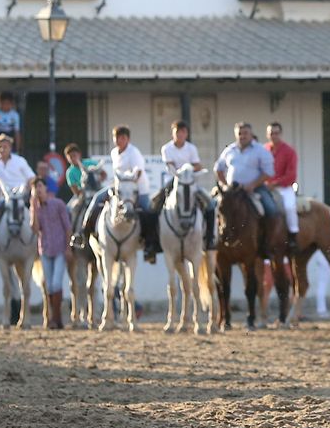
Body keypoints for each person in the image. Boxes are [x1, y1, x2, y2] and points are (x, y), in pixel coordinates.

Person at [73, 126, 151, 254]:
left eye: (123, 138)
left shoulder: (134, 152)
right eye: (117, 138)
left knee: (147, 211)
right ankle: (83, 233)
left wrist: (129, 183)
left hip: (138, 188)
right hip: (118, 187)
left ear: (128, 139)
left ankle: (149, 243)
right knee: (96, 200)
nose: (119, 140)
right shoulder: (114, 152)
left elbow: (138, 171)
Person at [215, 121, 281, 246]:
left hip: (255, 189)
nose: (242, 136)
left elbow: (268, 172)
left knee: (272, 210)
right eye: (240, 133)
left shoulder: (260, 150)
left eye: (245, 133)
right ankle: (212, 241)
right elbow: (218, 169)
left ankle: (267, 243)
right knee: (211, 207)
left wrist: (252, 185)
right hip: (232, 190)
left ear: (251, 134)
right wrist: (225, 185)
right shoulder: (229, 150)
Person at [154, 120, 214, 251]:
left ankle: (210, 238)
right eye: (177, 132)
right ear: (173, 134)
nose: (180, 135)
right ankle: (154, 241)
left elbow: (198, 165)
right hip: (173, 181)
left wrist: (188, 169)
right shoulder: (167, 148)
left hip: (190, 182)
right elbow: (170, 166)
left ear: (186, 134)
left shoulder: (191, 148)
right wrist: (184, 170)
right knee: (154, 204)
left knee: (210, 203)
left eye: (182, 132)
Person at [29, 176, 72, 330]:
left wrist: (68, 248)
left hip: (60, 249)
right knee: (48, 285)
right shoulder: (35, 209)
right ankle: (56, 320)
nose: (38, 190)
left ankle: (56, 318)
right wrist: (33, 208)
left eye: (40, 186)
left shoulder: (58, 204)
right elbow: (35, 229)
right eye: (35, 188)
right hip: (45, 250)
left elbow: (67, 227)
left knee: (55, 284)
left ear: (46, 188)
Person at [0, 133, 35, 235]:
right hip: (7, 199)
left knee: (38, 217)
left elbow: (31, 178)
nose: (2, 149)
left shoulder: (20, 161)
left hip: (24, 197)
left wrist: (31, 193)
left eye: (5, 147)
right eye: (0, 147)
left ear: (10, 148)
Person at [265, 121, 300, 254]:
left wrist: (275, 183)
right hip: (266, 187)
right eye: (271, 133)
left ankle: (293, 236)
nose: (273, 136)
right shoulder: (264, 150)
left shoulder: (289, 151)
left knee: (289, 207)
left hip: (284, 188)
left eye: (276, 133)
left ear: (281, 134)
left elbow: (291, 175)